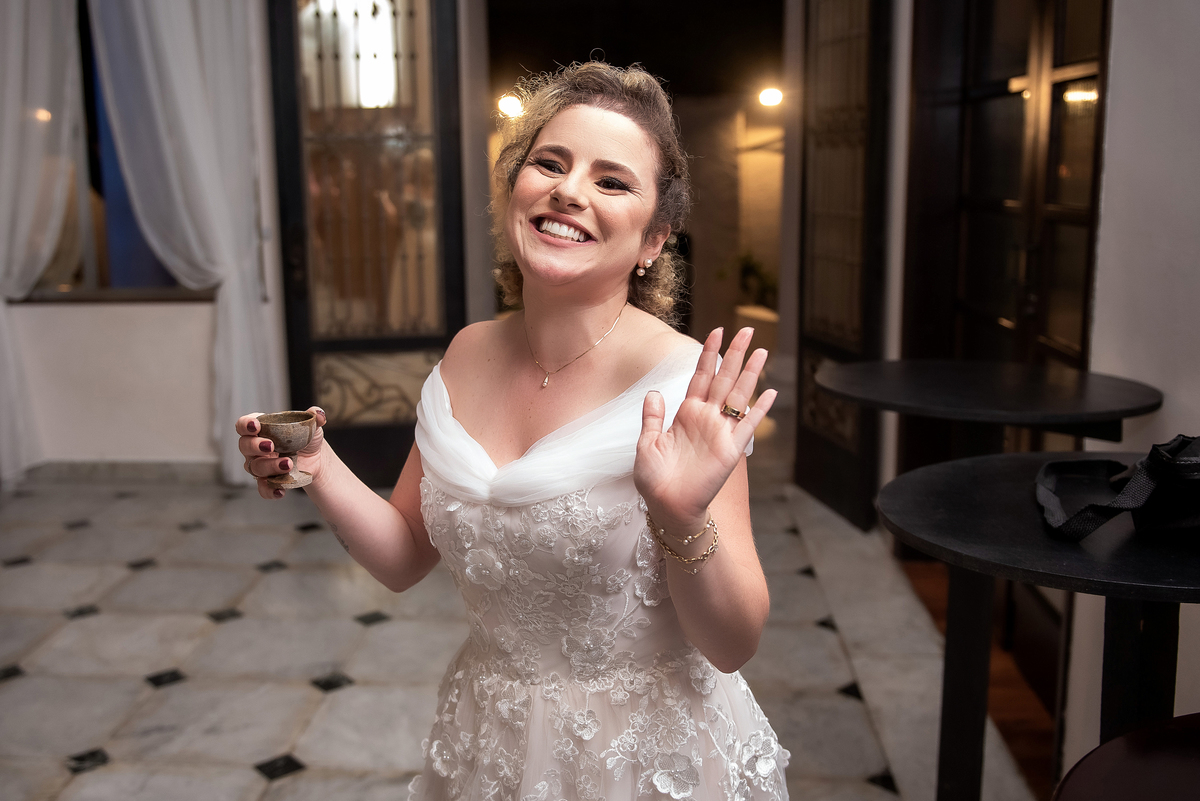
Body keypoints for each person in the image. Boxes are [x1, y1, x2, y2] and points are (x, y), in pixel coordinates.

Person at [237, 61, 789, 801]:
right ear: (513, 192)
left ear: (654, 239)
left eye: (612, 181)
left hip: (647, 761)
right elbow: (403, 555)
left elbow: (731, 645)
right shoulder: (467, 353)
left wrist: (682, 516)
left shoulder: (689, 388)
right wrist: (315, 460)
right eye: (549, 164)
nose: (569, 191)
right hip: (487, 742)